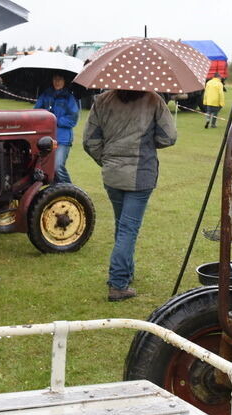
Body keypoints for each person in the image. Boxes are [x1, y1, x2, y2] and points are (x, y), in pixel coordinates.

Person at [83, 89, 177, 301]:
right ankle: (118, 284)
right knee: (128, 229)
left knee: (122, 225)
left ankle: (125, 272)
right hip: (140, 174)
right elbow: (168, 137)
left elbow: (90, 141)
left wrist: (106, 160)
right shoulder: (154, 99)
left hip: (113, 175)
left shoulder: (102, 100)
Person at [35, 74, 80, 184]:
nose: (57, 81)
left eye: (60, 79)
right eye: (55, 79)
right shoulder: (46, 94)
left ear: (65, 81)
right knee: (47, 170)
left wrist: (53, 120)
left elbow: (72, 120)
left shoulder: (70, 97)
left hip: (63, 138)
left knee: (57, 167)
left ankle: (71, 192)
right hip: (46, 139)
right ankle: (57, 192)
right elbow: (36, 111)